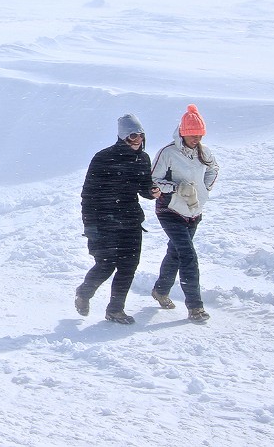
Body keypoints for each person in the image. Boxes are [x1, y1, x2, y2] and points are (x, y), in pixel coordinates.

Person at [75, 114, 161, 324]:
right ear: (123, 137)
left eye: (140, 135)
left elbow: (143, 188)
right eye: (132, 136)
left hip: (131, 220)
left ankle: (115, 309)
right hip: (104, 221)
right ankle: (84, 292)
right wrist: (91, 226)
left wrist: (152, 192)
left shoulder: (142, 158)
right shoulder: (103, 158)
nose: (137, 140)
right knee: (106, 264)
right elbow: (88, 194)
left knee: (129, 265)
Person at [149, 104, 220, 322]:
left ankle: (160, 290)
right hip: (170, 210)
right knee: (188, 255)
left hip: (194, 211)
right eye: (191, 134)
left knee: (177, 252)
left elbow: (213, 169)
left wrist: (204, 190)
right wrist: (176, 188)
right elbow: (153, 180)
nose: (196, 138)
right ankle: (195, 307)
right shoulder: (168, 153)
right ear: (182, 133)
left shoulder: (204, 152)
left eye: (199, 134)